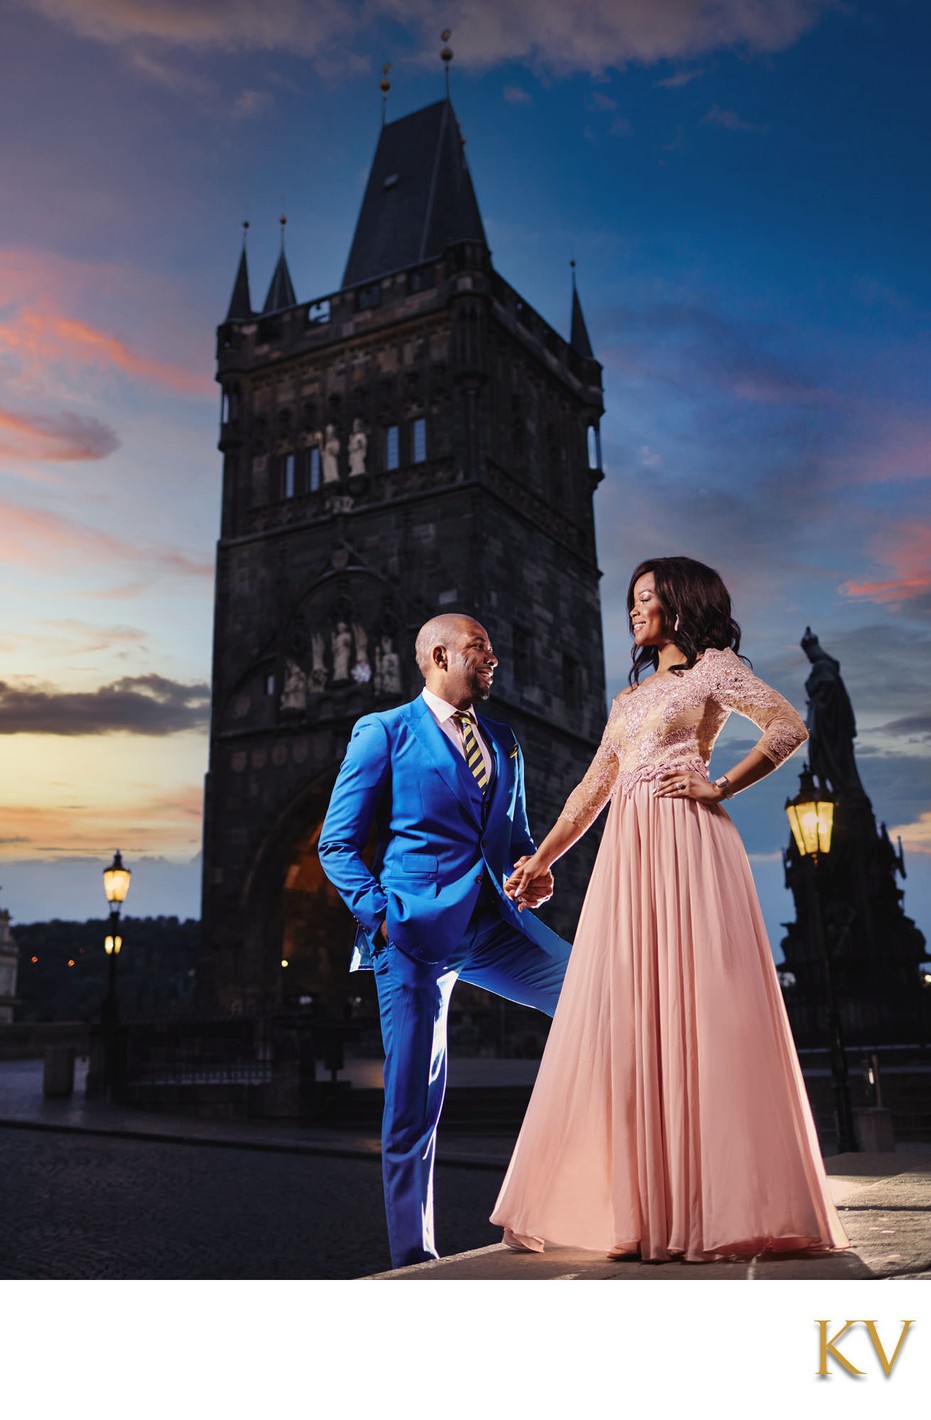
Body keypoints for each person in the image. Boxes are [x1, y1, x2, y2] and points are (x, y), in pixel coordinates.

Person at [491, 557, 849, 1262]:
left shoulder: (712, 669)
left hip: (686, 846)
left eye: (646, 597)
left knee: (698, 1007)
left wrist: (719, 787)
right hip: (627, 859)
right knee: (630, 1011)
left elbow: (784, 726)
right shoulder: (627, 702)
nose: (633, 609)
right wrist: (540, 861)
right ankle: (640, 1209)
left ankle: (709, 1205)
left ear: (679, 605)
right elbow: (591, 790)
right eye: (630, 599)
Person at [319, 613, 572, 1268]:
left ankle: (560, 1193)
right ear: (438, 655)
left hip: (494, 926)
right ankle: (413, 1258)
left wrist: (531, 874)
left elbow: (513, 842)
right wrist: (381, 918)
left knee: (596, 997)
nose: (493, 658)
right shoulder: (383, 732)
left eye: (492, 646)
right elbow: (336, 843)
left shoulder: (506, 740)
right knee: (413, 1102)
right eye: (479, 647)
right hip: (412, 937)